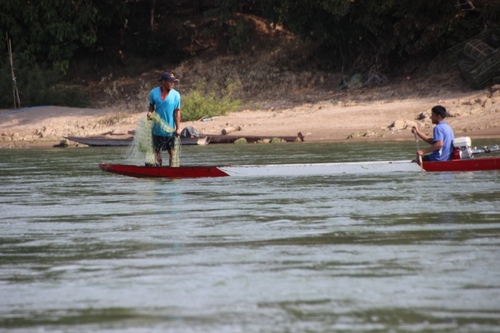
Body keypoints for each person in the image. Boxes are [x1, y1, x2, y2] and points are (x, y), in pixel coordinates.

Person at [147, 72, 181, 166]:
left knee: (172, 152)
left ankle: (172, 170)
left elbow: (177, 112)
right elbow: (151, 106)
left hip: (170, 130)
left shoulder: (176, 95)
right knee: (157, 152)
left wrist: (178, 128)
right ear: (163, 81)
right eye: (170, 82)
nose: (172, 84)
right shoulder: (153, 93)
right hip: (157, 130)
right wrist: (150, 113)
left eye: (173, 82)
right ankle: (158, 170)